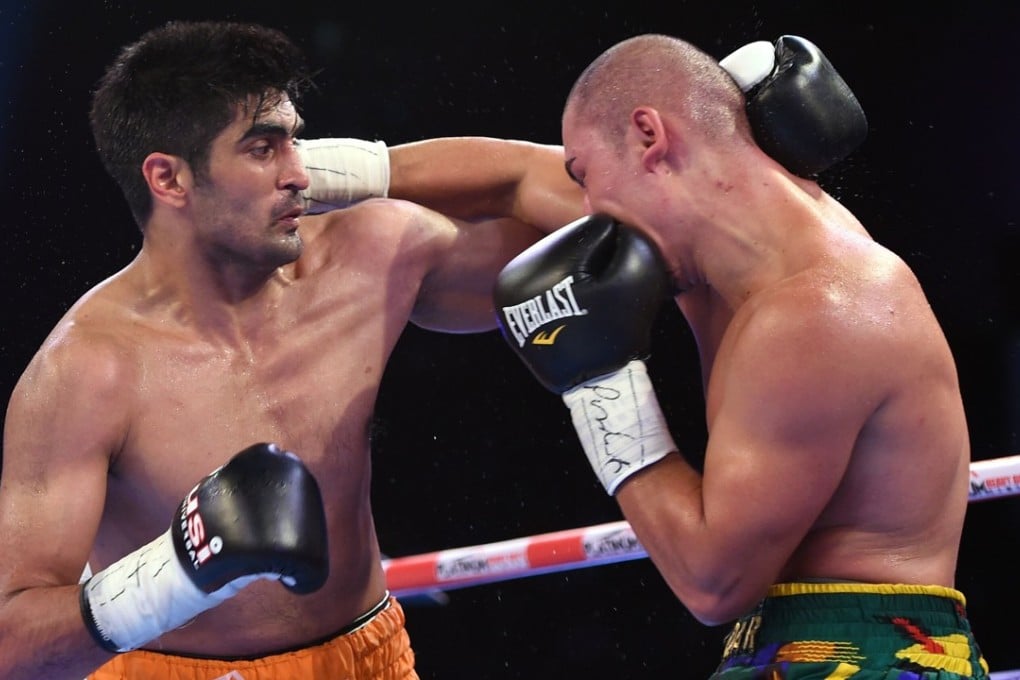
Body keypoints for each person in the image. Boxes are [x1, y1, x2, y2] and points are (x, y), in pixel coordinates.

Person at [0, 19, 864, 679]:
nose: (298, 171)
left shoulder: (368, 257)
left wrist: (739, 169)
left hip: (369, 655)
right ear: (168, 178)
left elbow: (598, 221)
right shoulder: (87, 371)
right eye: (263, 149)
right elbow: (12, 636)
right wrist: (173, 574)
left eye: (297, 139)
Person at [494, 34, 989, 679]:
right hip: (784, 646)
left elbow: (712, 584)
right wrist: (352, 171)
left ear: (650, 136)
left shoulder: (817, 310)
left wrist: (600, 387)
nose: (588, 213)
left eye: (584, 176)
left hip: (870, 654)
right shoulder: (734, 254)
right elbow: (507, 177)